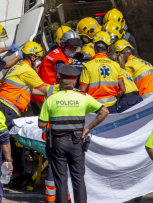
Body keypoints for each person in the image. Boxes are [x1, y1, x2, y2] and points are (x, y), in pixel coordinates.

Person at [38, 65, 110, 203]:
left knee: (61, 181)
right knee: (78, 180)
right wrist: (87, 128)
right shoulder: (83, 97)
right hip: (77, 142)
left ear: (59, 79)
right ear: (74, 81)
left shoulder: (51, 99)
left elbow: (41, 124)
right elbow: (104, 112)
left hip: (57, 144)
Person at [0, 41, 48, 178]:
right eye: (37, 57)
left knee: (6, 139)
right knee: (6, 140)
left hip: (4, 106)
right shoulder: (27, 70)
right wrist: (64, 88)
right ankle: (6, 172)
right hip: (8, 108)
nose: (38, 60)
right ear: (32, 57)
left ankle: (11, 171)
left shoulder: (18, 66)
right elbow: (44, 89)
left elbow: (32, 90)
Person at [79, 31, 125, 114]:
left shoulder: (87, 66)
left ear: (94, 48)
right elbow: (123, 90)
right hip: (112, 108)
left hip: (93, 109)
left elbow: (82, 91)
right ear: (109, 48)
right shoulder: (116, 65)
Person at [33, 29, 82, 105]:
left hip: (42, 93)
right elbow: (63, 80)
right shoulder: (59, 59)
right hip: (45, 97)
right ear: (63, 45)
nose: (73, 50)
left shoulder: (58, 53)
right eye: (70, 47)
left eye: (75, 48)